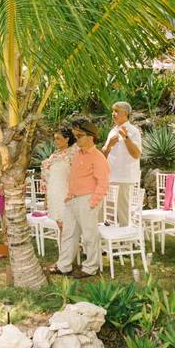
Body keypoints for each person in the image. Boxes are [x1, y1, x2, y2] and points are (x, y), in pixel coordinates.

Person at [50, 119, 109, 278]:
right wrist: (69, 196)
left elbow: (103, 183)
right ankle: (64, 266)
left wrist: (93, 202)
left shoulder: (98, 157)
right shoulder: (77, 154)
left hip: (87, 200)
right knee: (68, 234)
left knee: (89, 236)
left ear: (91, 136)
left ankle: (91, 268)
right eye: (75, 135)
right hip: (72, 200)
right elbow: (74, 177)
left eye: (79, 135)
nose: (76, 138)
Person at [102, 101, 142, 226]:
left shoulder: (133, 131)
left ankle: (128, 240)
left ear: (125, 114)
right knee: (107, 212)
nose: (113, 114)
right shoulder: (112, 131)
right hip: (110, 176)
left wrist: (126, 138)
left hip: (124, 177)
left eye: (116, 111)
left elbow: (136, 154)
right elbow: (103, 154)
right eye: (113, 111)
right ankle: (111, 239)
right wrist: (109, 145)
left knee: (123, 212)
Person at [41, 127, 78, 228]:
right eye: (54, 138)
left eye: (58, 138)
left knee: (69, 226)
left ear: (67, 139)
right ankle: (63, 244)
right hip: (54, 194)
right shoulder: (54, 154)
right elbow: (48, 178)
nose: (55, 141)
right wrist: (46, 199)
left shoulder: (73, 152)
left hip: (66, 193)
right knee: (60, 226)